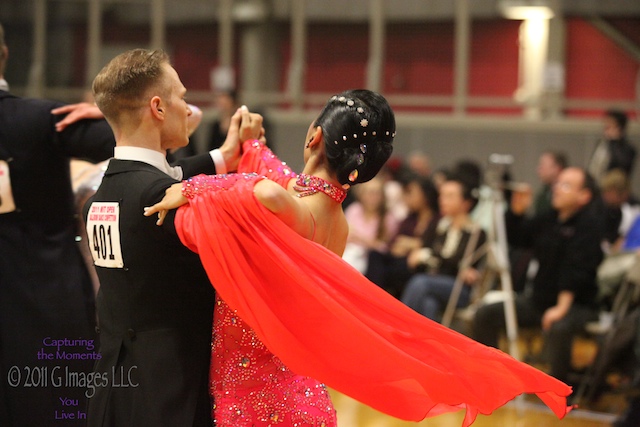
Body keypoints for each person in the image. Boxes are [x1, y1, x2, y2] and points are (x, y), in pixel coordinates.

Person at [146, 91, 573, 427]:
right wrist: (253, 143)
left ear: (313, 138)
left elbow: (264, 190)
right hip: (298, 388)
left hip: (254, 393)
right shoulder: (334, 220)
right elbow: (278, 178)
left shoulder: (285, 203)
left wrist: (198, 185)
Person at [82, 48, 253, 427]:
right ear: (157, 107)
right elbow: (169, 185)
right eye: (182, 97)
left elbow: (171, 176)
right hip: (170, 399)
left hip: (111, 393)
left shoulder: (98, 201)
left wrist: (224, 155)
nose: (189, 109)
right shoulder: (164, 202)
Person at [0, 22, 116, 427]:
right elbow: (164, 135)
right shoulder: (43, 118)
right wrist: (112, 114)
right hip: (51, 307)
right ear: (6, 53)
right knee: (65, 411)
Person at [473, 167, 604, 385]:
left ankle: (559, 390)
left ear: (584, 196)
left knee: (559, 326)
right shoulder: (549, 218)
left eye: (566, 185)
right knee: (486, 314)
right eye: (558, 183)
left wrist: (561, 308)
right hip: (539, 300)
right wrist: (516, 212)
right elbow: (518, 238)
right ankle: (493, 377)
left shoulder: (589, 226)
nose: (557, 189)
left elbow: (577, 271)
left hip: (577, 306)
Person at [401, 173, 487, 322]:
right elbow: (418, 258)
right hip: (433, 282)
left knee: (420, 282)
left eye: (450, 196)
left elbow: (460, 265)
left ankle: (397, 329)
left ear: (466, 202)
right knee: (429, 304)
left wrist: (429, 257)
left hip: (459, 290)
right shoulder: (438, 225)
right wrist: (428, 257)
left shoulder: (476, 233)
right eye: (442, 196)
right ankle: (426, 344)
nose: (442, 201)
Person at [365, 174, 440, 297]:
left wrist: (414, 244)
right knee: (375, 255)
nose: (407, 198)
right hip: (400, 260)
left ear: (426, 195)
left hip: (418, 265)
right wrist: (407, 245)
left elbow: (434, 245)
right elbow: (395, 243)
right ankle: (371, 296)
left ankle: (374, 297)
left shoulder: (438, 220)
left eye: (411, 193)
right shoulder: (409, 219)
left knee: (390, 269)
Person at [342, 177, 398, 273]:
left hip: (372, 261)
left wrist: (360, 239)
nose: (373, 197)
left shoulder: (388, 218)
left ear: (382, 196)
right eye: (370, 193)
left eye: (377, 193)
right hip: (349, 253)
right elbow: (346, 235)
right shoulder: (354, 210)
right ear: (361, 195)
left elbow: (385, 248)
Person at [588, 109, 637, 185]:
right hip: (596, 185)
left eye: (610, 125)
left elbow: (622, 168)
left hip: (614, 187)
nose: (606, 128)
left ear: (619, 128)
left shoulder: (628, 149)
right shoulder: (601, 143)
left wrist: (614, 142)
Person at [533, 150, 567, 217]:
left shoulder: (566, 194)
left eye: (543, 165)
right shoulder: (544, 193)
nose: (538, 169)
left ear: (557, 168)